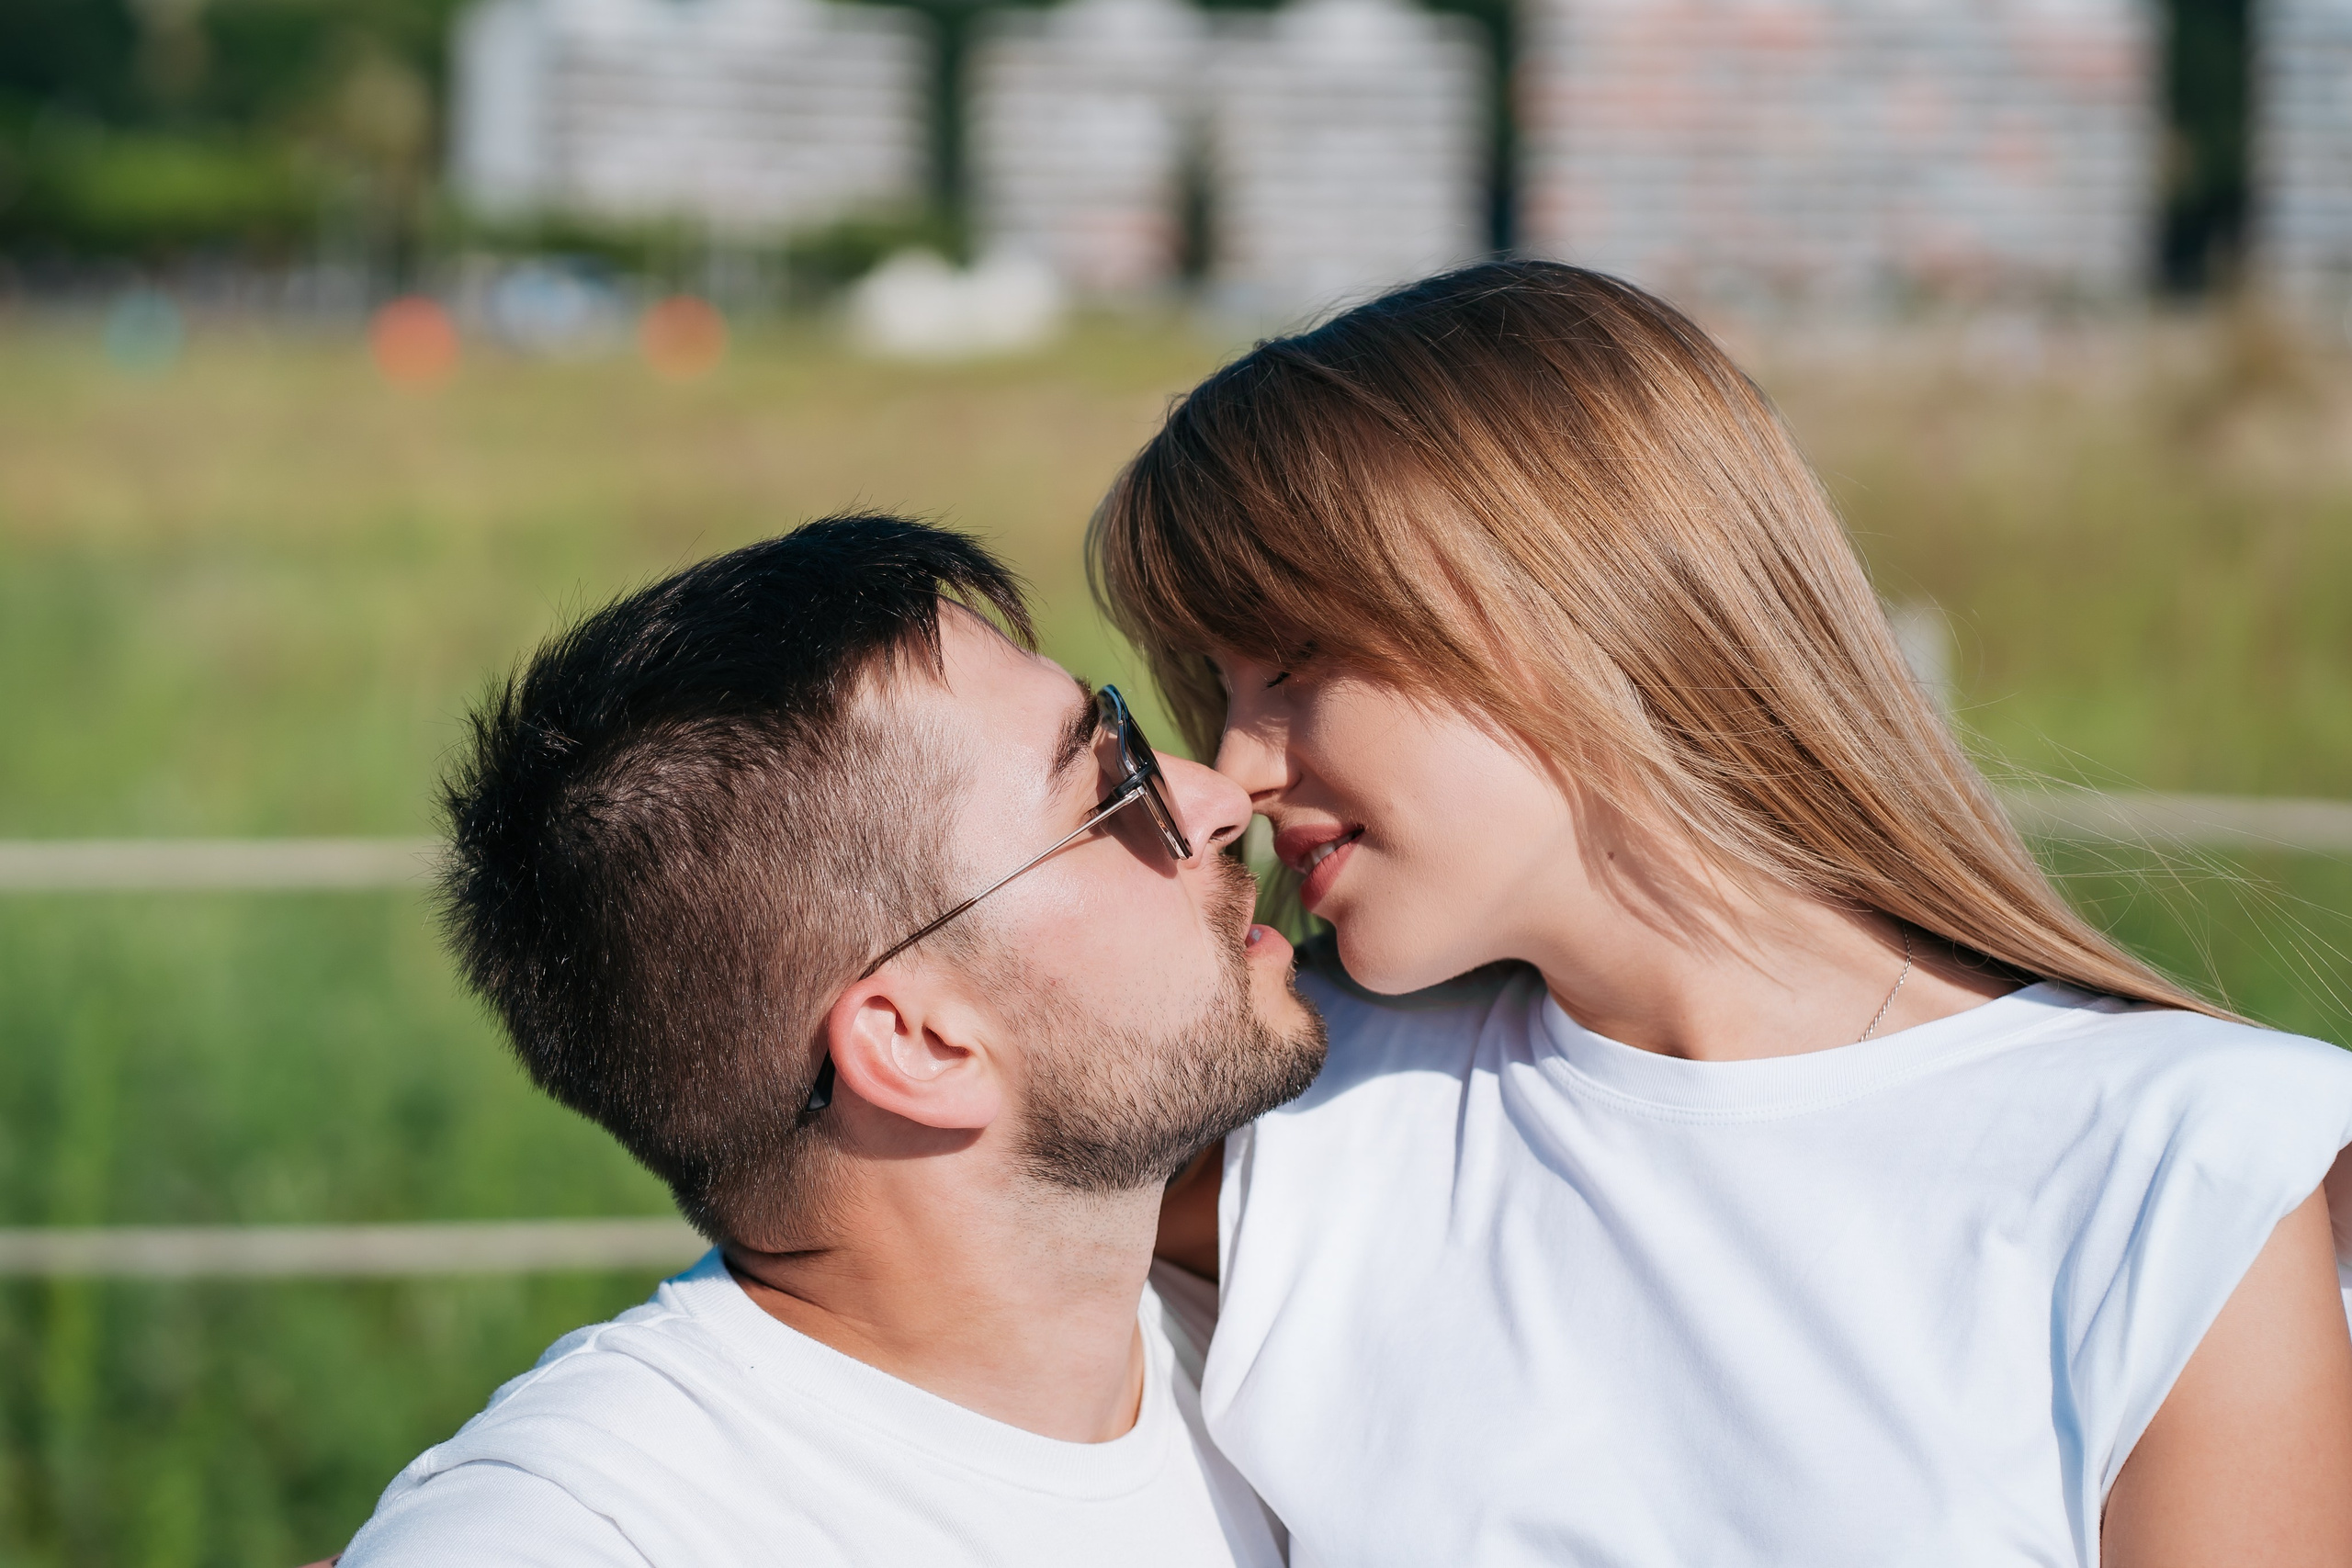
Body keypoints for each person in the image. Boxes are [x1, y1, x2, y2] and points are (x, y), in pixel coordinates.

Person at [1090, 261, 2352, 1567]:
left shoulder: (2176, 1169)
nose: (1235, 767)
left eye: (1293, 663)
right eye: (1223, 685)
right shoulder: (1296, 1114)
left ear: (1571, 592)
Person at [333, 516, 1324, 1566]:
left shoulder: (1283, 1356)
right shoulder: (594, 1531)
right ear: (919, 1045)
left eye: (1123, 729)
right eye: (1109, 792)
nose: (1219, 797)